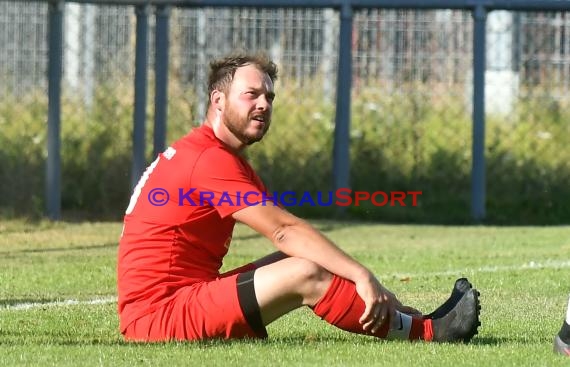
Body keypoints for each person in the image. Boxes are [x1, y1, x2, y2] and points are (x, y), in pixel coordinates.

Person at [117, 52, 481, 343]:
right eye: (251, 95)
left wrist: (382, 292)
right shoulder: (209, 160)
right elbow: (283, 231)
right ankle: (430, 333)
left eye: (269, 97)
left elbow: (289, 239)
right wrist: (361, 274)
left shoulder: (215, 156)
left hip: (178, 301)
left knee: (297, 257)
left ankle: (410, 318)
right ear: (218, 100)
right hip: (158, 317)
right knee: (304, 271)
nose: (263, 104)